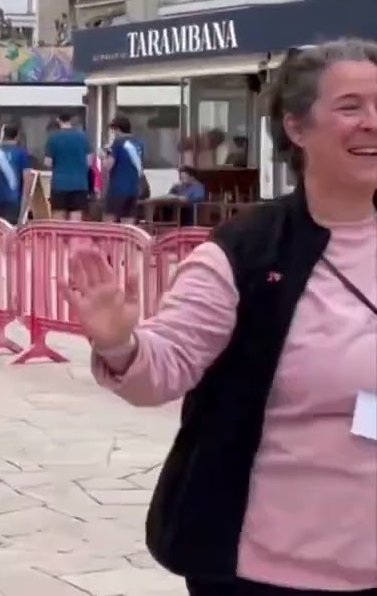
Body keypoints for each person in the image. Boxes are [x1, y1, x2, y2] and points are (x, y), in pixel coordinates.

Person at [66, 40, 377, 596]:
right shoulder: (247, 251)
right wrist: (121, 344)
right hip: (271, 568)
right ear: (297, 129)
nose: (372, 123)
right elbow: (168, 364)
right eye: (351, 107)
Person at [44, 113, 92, 220]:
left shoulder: (53, 138)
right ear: (71, 120)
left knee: (59, 220)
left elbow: (48, 162)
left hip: (59, 184)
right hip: (80, 184)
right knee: (75, 220)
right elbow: (89, 162)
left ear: (58, 120)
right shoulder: (83, 137)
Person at [103, 116, 145, 223]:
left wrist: (104, 155)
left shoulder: (118, 142)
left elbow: (109, 165)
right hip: (133, 189)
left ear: (118, 129)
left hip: (117, 188)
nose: (113, 133)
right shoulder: (139, 143)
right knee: (128, 224)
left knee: (109, 223)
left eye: (113, 130)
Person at [0, 124, 30, 224]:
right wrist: (26, 202)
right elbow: (27, 177)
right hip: (13, 198)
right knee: (10, 229)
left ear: (3, 135)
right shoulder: (22, 153)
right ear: (17, 136)